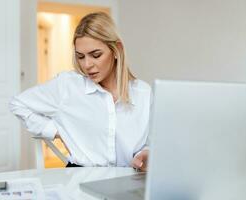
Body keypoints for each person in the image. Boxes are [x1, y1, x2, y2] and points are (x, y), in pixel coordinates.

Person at [9, 12, 150, 171]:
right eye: (80, 57)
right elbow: (18, 104)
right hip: (80, 179)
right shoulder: (68, 86)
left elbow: (150, 142)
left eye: (96, 55)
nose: (87, 65)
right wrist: (57, 131)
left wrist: (146, 153)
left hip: (129, 180)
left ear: (117, 49)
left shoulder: (143, 93)